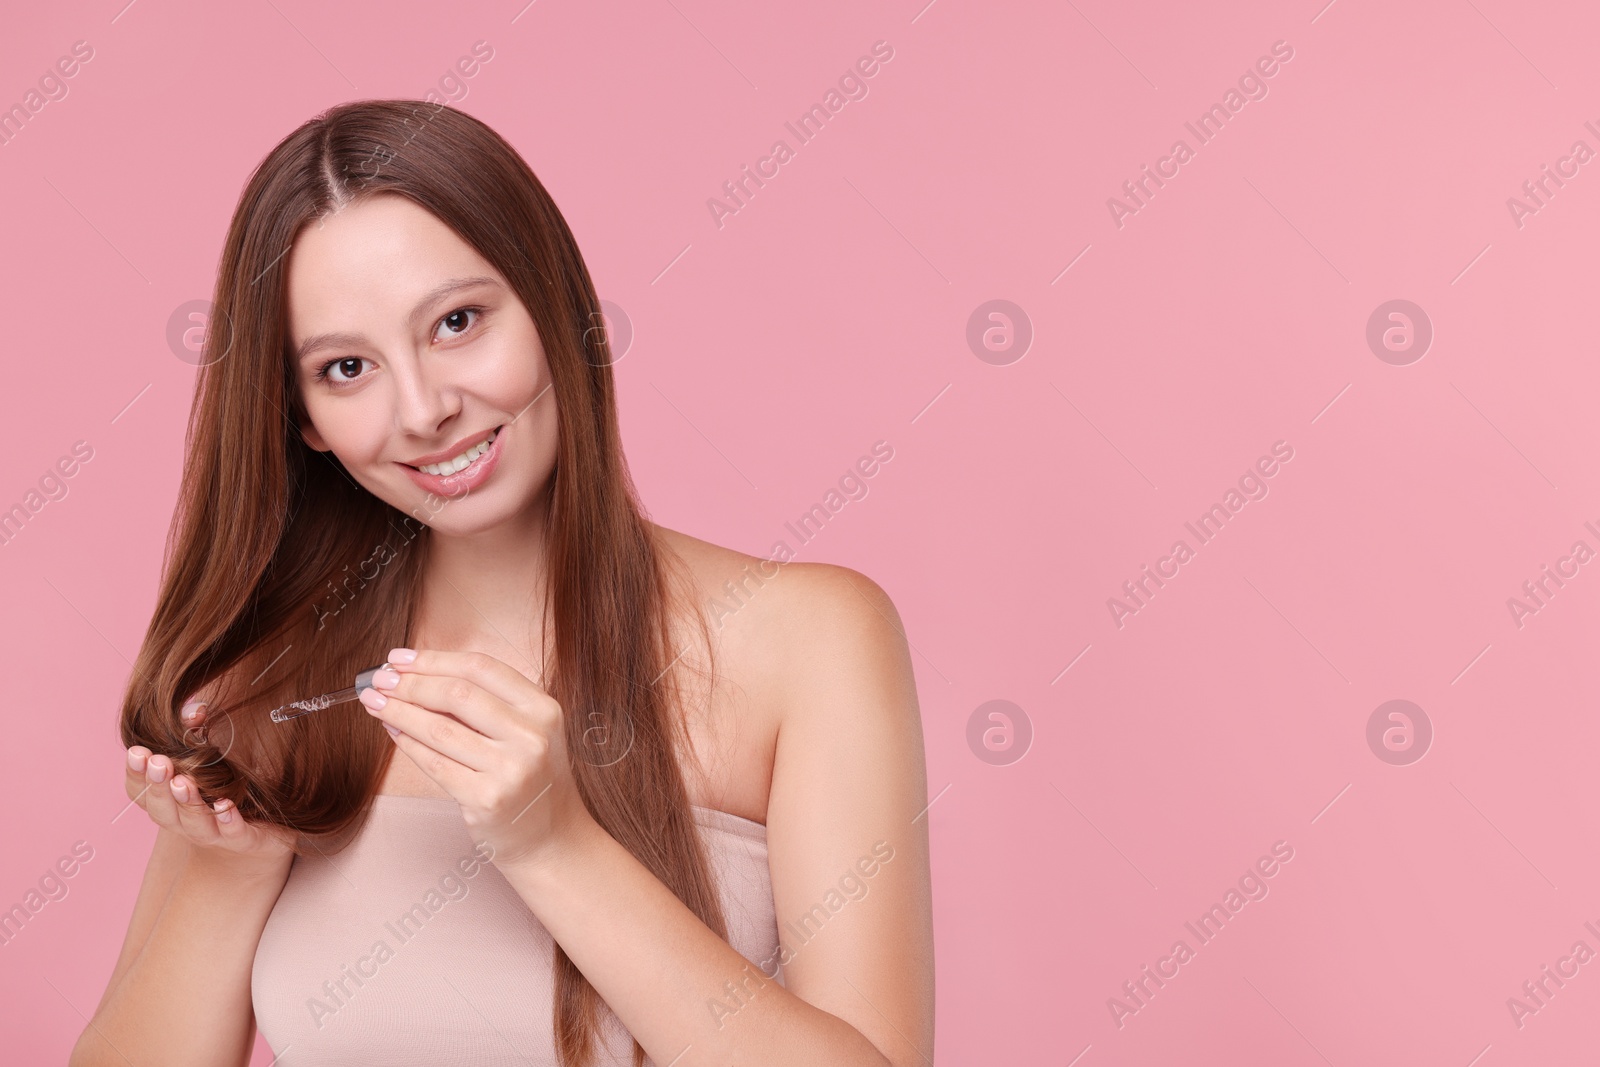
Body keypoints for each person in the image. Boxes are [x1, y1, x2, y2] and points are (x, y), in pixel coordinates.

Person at [70, 99, 934, 1067]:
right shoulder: (274, 693)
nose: (427, 408)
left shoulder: (804, 638)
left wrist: (553, 844)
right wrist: (224, 873)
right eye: (347, 366)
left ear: (555, 302)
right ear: (302, 416)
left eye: (457, 321)